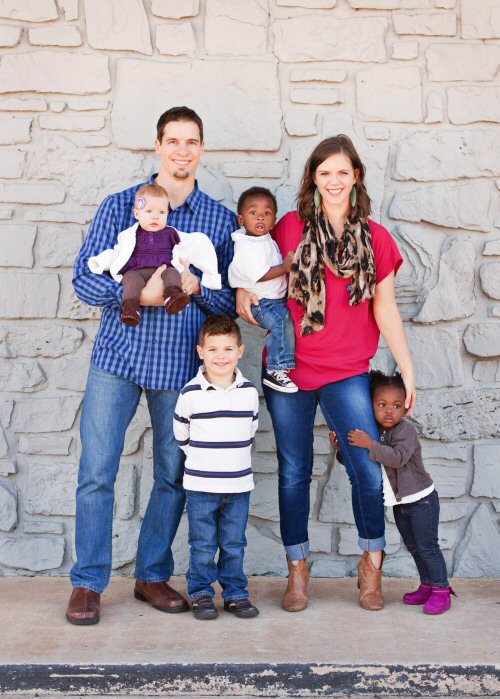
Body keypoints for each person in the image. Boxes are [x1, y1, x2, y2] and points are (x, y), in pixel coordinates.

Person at [66, 106, 238, 626]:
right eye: (173, 141)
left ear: (201, 148)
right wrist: (136, 293)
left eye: (192, 141)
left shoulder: (218, 220)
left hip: (180, 367)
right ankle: (88, 582)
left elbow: (228, 302)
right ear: (158, 145)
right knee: (97, 471)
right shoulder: (120, 206)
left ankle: (151, 575)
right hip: (117, 358)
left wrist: (197, 288)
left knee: (173, 474)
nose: (182, 150)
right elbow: (83, 279)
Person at [237, 134, 416, 613]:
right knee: (294, 471)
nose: (333, 181)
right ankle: (298, 568)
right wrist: (242, 291)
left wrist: (407, 369)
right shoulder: (290, 227)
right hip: (289, 371)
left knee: (366, 469)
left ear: (356, 176)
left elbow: (385, 308)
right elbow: (256, 268)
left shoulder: (376, 238)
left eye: (342, 172)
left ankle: (371, 563)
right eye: (324, 173)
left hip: (347, 371)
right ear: (313, 179)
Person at [346, 370, 455, 615]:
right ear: (371, 406)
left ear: (405, 407)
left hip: (422, 501)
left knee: (428, 547)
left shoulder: (406, 431)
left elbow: (397, 458)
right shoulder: (376, 432)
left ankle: (441, 590)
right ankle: (426, 585)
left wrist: (370, 444)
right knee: (414, 547)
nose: (389, 411)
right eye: (381, 404)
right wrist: (343, 451)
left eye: (396, 405)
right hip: (401, 503)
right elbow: (368, 461)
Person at [173, 315, 260, 620]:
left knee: (234, 543)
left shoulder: (248, 392)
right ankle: (201, 593)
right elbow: (181, 434)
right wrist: (204, 459)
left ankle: (235, 593)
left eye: (227, 349)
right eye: (212, 349)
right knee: (203, 544)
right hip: (201, 486)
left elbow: (250, 429)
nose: (220, 356)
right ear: (201, 352)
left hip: (238, 486)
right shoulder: (190, 394)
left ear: (240, 351)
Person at [88, 183, 221, 325]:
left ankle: (173, 296)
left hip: (165, 268)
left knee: (173, 274)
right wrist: (100, 262)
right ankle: (130, 309)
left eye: (161, 212)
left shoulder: (171, 233)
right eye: (149, 211)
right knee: (131, 281)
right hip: (136, 271)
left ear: (167, 214)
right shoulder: (129, 235)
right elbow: (116, 254)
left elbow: (195, 245)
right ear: (137, 214)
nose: (155, 217)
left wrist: (208, 275)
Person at [228, 187, 296, 393]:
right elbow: (259, 274)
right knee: (280, 321)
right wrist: (285, 267)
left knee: (285, 321)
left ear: (273, 221)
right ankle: (277, 369)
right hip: (261, 301)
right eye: (253, 213)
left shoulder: (263, 239)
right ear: (241, 220)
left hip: (273, 298)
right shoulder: (246, 246)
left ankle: (280, 365)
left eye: (266, 213)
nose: (260, 217)